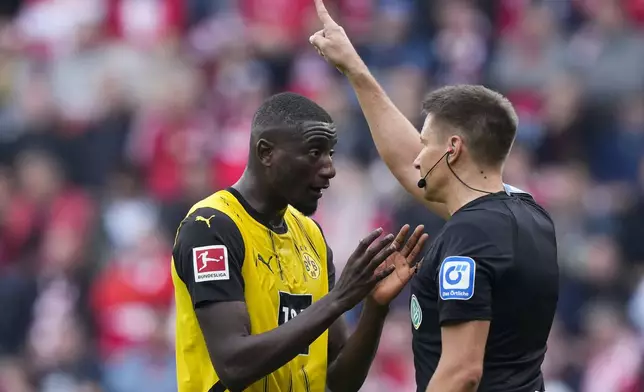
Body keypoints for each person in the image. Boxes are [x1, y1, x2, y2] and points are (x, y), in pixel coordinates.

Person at [309, 2, 559, 392]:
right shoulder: (532, 215)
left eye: (426, 142)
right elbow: (408, 165)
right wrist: (355, 70)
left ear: (453, 148)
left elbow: (462, 373)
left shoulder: (470, 235)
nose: (419, 155)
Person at [170, 92, 429, 392]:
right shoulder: (211, 228)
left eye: (330, 153)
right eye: (314, 152)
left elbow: (339, 382)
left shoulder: (311, 235)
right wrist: (339, 299)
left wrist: (375, 307)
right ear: (266, 153)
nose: (329, 168)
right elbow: (234, 364)